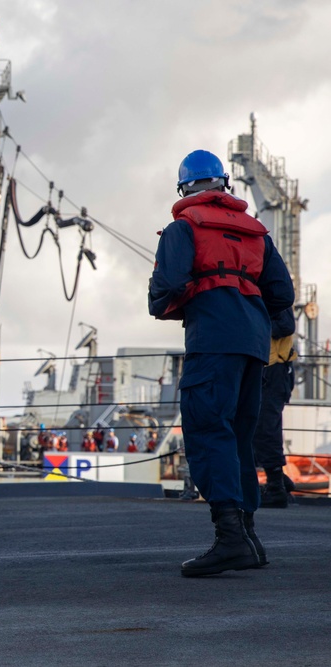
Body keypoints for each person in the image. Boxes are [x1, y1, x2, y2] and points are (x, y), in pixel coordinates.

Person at [150, 149, 294, 577]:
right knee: (239, 437)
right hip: (254, 345)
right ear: (224, 184)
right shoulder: (256, 233)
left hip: (212, 340)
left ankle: (230, 539)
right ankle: (248, 537)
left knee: (207, 429)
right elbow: (281, 295)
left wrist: (176, 302)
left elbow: (168, 286)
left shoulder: (183, 227)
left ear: (185, 188)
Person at [254, 307, 297, 508]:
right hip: (268, 368)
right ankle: (278, 480)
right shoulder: (270, 290)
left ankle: (276, 487)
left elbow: (287, 325)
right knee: (260, 426)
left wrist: (252, 326)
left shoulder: (272, 292)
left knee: (264, 427)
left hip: (273, 370)